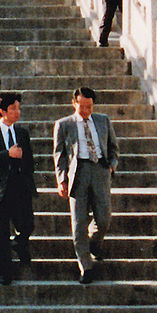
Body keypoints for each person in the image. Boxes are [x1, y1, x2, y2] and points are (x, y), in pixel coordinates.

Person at [53, 84, 119, 284]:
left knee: (104, 218)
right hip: (77, 173)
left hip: (100, 170)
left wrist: (111, 166)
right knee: (78, 223)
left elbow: (113, 147)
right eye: (82, 106)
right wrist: (61, 179)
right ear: (74, 103)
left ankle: (94, 243)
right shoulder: (64, 124)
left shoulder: (103, 121)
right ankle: (85, 266)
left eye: (89, 106)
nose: (86, 111)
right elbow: (59, 154)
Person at [0, 92, 37, 285]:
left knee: (27, 224)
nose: (17, 112)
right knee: (0, 235)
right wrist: (7, 154)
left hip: (20, 187)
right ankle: (5, 273)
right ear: (2, 111)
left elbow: (29, 160)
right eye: (13, 109)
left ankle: (20, 244)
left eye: (19, 108)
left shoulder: (22, 133)